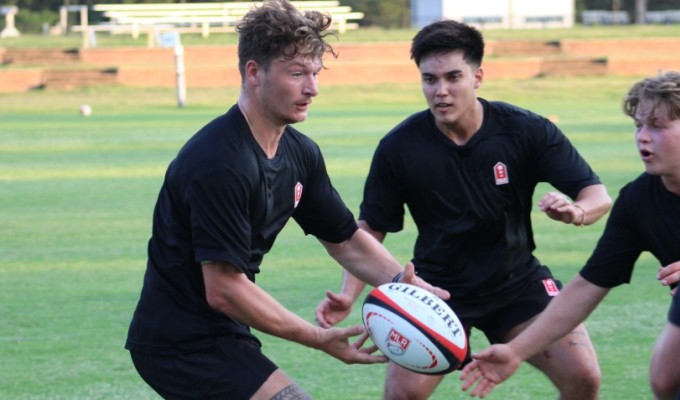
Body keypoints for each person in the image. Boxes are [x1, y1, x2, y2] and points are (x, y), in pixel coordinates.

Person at [124, 1, 447, 399]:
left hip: (222, 330)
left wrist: (404, 285)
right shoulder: (220, 162)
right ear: (253, 72)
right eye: (296, 74)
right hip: (177, 341)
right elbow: (223, 287)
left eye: (314, 73)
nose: (312, 88)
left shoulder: (300, 154)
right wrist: (316, 337)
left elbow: (345, 239)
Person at [314, 19, 612, 400]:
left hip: (517, 283)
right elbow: (370, 229)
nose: (441, 91)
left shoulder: (524, 130)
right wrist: (347, 293)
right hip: (435, 291)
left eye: (454, 77)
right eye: (429, 79)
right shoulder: (399, 148)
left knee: (584, 377)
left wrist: (578, 212)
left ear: (478, 76)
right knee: (402, 396)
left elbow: (597, 194)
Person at [460, 71, 680, 399]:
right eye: (638, 126)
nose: (642, 138)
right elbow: (587, 287)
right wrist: (516, 351)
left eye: (657, 127)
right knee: (666, 382)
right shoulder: (638, 202)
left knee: (665, 377)